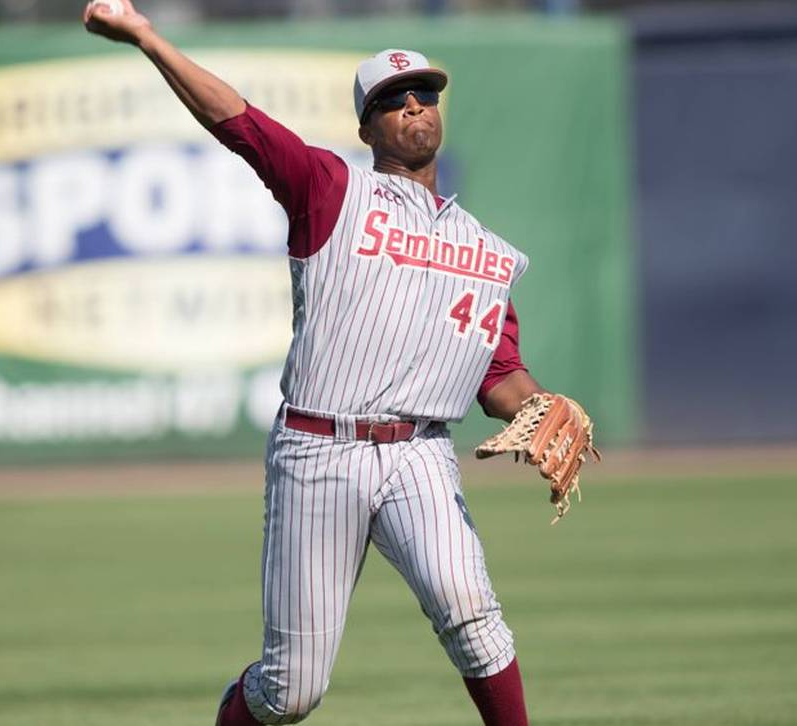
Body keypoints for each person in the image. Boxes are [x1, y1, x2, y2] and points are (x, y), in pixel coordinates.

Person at [85, 3, 556, 724]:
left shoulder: (483, 250)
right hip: (318, 448)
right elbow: (237, 120)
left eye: (424, 94)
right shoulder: (330, 189)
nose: (412, 106)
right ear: (367, 127)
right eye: (391, 100)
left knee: (476, 621)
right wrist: (147, 38)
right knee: (290, 692)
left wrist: (541, 406)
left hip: (420, 455)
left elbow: (498, 375)